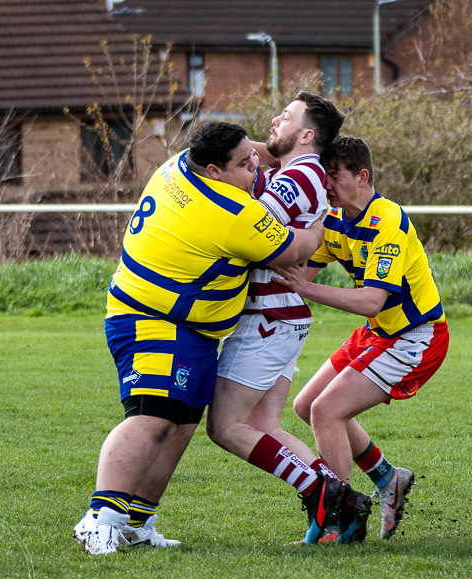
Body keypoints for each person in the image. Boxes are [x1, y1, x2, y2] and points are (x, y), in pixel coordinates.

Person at [75, 121, 328, 554]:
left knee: (181, 425)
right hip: (152, 321)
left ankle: (138, 522)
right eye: (244, 162)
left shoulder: (178, 165)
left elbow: (249, 163)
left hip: (185, 326)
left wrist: (268, 154)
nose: (256, 166)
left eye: (254, 155)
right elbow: (295, 249)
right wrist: (322, 216)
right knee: (152, 418)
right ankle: (99, 518)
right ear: (214, 170)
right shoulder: (233, 211)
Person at [203, 92, 358, 544]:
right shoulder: (298, 170)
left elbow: (253, 231)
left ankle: (335, 498)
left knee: (224, 427)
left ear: (307, 134)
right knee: (262, 428)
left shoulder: (298, 175)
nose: (275, 119)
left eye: (286, 116)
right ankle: (336, 516)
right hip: (279, 318)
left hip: (268, 320)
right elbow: (261, 154)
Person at [279, 135, 450, 541]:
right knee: (307, 406)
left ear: (362, 176)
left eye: (334, 178)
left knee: (325, 412)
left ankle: (340, 520)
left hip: (416, 335)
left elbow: (372, 300)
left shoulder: (388, 222)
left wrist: (304, 291)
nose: (326, 187)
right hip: (379, 333)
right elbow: (301, 273)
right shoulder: (333, 218)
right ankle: (387, 478)